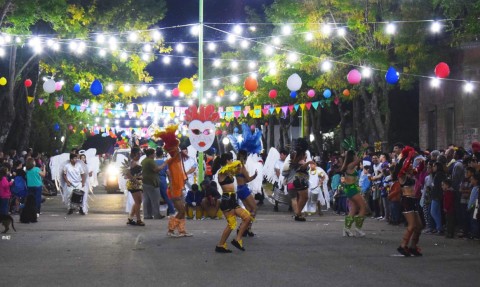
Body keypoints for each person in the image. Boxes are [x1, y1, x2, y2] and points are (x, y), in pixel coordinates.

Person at [155, 125, 192, 237]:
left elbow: (177, 154)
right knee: (181, 211)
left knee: (183, 211)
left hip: (179, 188)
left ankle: (181, 231)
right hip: (175, 189)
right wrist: (161, 167)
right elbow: (170, 158)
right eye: (176, 148)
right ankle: (171, 230)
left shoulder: (176, 160)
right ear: (173, 150)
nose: (178, 149)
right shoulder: (172, 160)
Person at [213, 153, 251, 253]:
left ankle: (237, 240)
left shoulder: (229, 171)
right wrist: (238, 162)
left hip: (233, 199)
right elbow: (235, 166)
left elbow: (238, 168)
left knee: (247, 218)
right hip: (226, 200)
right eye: (231, 159)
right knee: (231, 224)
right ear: (227, 161)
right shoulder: (222, 172)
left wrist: (241, 165)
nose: (232, 161)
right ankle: (220, 245)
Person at [393, 146, 424, 256]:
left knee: (419, 226)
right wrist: (410, 155)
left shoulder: (410, 174)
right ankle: (402, 246)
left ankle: (413, 246)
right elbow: (405, 167)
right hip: (406, 200)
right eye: (409, 164)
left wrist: (422, 162)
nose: (411, 165)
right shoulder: (401, 176)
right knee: (412, 225)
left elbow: (419, 169)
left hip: (413, 200)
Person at [341, 143, 369, 237]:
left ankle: (346, 229)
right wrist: (362, 149)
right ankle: (358, 228)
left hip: (350, 189)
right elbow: (359, 159)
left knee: (353, 209)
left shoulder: (348, 166)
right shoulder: (350, 166)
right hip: (352, 189)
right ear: (352, 157)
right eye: (355, 155)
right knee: (363, 207)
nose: (356, 156)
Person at [283, 138, 313, 222]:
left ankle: (298, 214)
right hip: (299, 179)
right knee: (304, 197)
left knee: (302, 197)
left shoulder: (297, 154)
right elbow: (300, 167)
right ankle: (298, 214)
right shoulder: (299, 155)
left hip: (298, 179)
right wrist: (308, 163)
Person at [235, 150, 258, 236]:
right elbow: (248, 179)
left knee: (249, 210)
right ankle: (247, 228)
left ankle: (243, 228)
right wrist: (255, 176)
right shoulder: (242, 167)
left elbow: (241, 179)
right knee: (254, 209)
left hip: (239, 189)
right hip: (244, 189)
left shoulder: (236, 167)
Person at [142, 148, 167, 220]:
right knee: (155, 200)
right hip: (152, 183)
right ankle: (157, 215)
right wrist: (164, 165)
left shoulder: (144, 161)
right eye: (154, 153)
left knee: (146, 200)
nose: (155, 154)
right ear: (151, 154)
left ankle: (147, 215)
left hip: (145, 182)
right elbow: (156, 169)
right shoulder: (150, 161)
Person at [125, 147, 144, 226]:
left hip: (138, 183)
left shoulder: (136, 161)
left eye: (140, 153)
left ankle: (131, 218)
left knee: (138, 201)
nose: (140, 155)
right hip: (133, 184)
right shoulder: (131, 162)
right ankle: (138, 220)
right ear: (134, 154)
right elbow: (127, 173)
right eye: (139, 153)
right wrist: (134, 179)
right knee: (138, 202)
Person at [155, 147, 175, 216]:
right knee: (166, 196)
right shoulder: (164, 163)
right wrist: (170, 183)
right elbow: (168, 173)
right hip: (163, 180)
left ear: (155, 155)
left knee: (155, 197)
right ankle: (172, 211)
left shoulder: (153, 162)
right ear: (162, 155)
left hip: (154, 180)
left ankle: (155, 212)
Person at [431, 162, 447, 235]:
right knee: (437, 212)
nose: (433, 167)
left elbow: (438, 186)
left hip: (437, 195)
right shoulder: (439, 174)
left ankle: (439, 228)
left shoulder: (439, 175)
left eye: (434, 166)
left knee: (433, 212)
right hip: (437, 195)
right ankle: (439, 228)